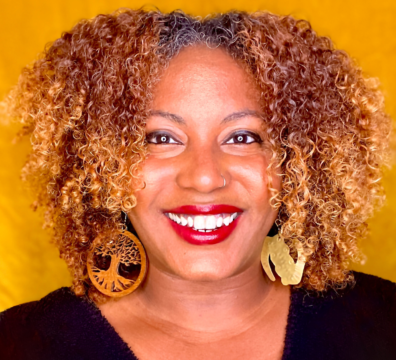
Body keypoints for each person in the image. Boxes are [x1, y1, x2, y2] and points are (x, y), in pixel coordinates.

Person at [0, 8, 395, 360]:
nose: (204, 178)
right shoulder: (18, 344)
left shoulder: (383, 322)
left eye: (242, 138)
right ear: (101, 163)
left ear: (300, 162)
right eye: (160, 138)